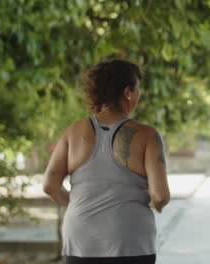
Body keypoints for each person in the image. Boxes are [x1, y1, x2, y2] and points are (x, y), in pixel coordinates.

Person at [43, 59, 170, 264]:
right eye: (138, 88)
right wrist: (158, 205)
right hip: (129, 241)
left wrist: (83, 204)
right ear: (128, 92)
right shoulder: (147, 136)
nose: (139, 94)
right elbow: (160, 195)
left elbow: (50, 186)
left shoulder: (73, 132)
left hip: (80, 238)